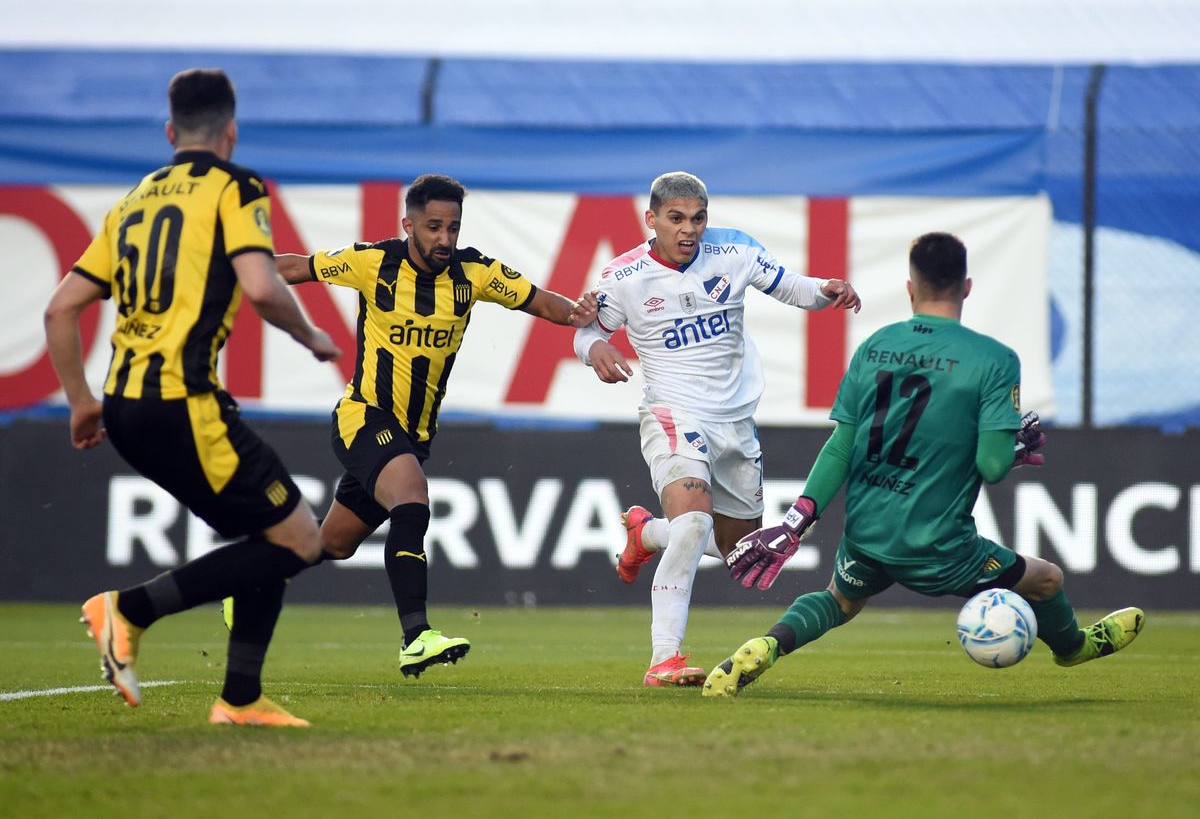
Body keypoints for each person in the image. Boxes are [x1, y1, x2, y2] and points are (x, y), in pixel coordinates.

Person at [702, 231, 1144, 697]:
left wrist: (795, 522)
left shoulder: (875, 346)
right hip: (939, 546)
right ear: (967, 287)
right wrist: (1009, 450)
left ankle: (767, 645)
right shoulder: (994, 360)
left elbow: (841, 445)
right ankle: (1072, 647)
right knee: (1047, 579)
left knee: (840, 600)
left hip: (869, 531)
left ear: (910, 287)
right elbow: (992, 467)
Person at [43, 68, 341, 726]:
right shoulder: (236, 187)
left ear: (171, 131)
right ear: (231, 131)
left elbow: (61, 309)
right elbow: (262, 288)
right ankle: (128, 609)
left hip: (124, 404)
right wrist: (312, 332)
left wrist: (80, 401)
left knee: (277, 533)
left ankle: (240, 699)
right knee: (301, 542)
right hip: (183, 400)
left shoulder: (133, 200)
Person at [272, 173, 597, 678]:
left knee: (333, 543)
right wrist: (224, 271)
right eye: (433, 228)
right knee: (412, 499)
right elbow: (294, 267)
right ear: (408, 225)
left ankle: (249, 580)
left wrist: (583, 316)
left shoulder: (475, 273)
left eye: (452, 228)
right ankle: (416, 636)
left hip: (413, 435)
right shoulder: (372, 262)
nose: (444, 239)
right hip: (364, 417)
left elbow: (541, 301)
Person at [573, 171, 861, 687]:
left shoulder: (733, 251)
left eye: (698, 218)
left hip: (736, 423)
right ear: (652, 219)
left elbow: (791, 286)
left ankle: (646, 533)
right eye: (676, 219)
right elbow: (588, 326)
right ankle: (665, 657)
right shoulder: (624, 277)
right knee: (693, 522)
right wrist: (594, 346)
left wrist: (826, 290)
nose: (689, 230)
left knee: (737, 551)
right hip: (673, 415)